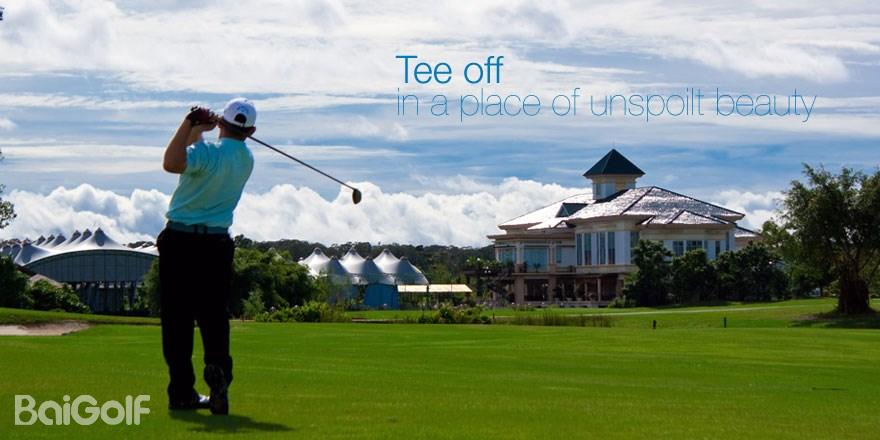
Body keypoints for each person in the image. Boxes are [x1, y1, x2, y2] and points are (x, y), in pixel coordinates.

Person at [158, 98, 257, 415]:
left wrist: (189, 123)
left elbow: (172, 163)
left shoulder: (206, 153)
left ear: (222, 123)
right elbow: (198, 155)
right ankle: (218, 371)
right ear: (251, 131)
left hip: (180, 240)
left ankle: (182, 392)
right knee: (213, 316)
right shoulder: (246, 159)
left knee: (178, 319)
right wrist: (199, 130)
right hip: (217, 244)